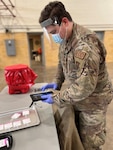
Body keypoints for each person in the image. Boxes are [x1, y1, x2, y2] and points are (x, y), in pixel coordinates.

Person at [39, 1, 113, 150]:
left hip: (93, 103)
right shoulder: (66, 38)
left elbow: (84, 88)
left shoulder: (85, 45)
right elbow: (62, 61)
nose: (54, 37)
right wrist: (57, 82)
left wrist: (56, 97)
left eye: (53, 32)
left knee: (90, 143)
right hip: (77, 99)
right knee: (79, 138)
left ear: (64, 22)